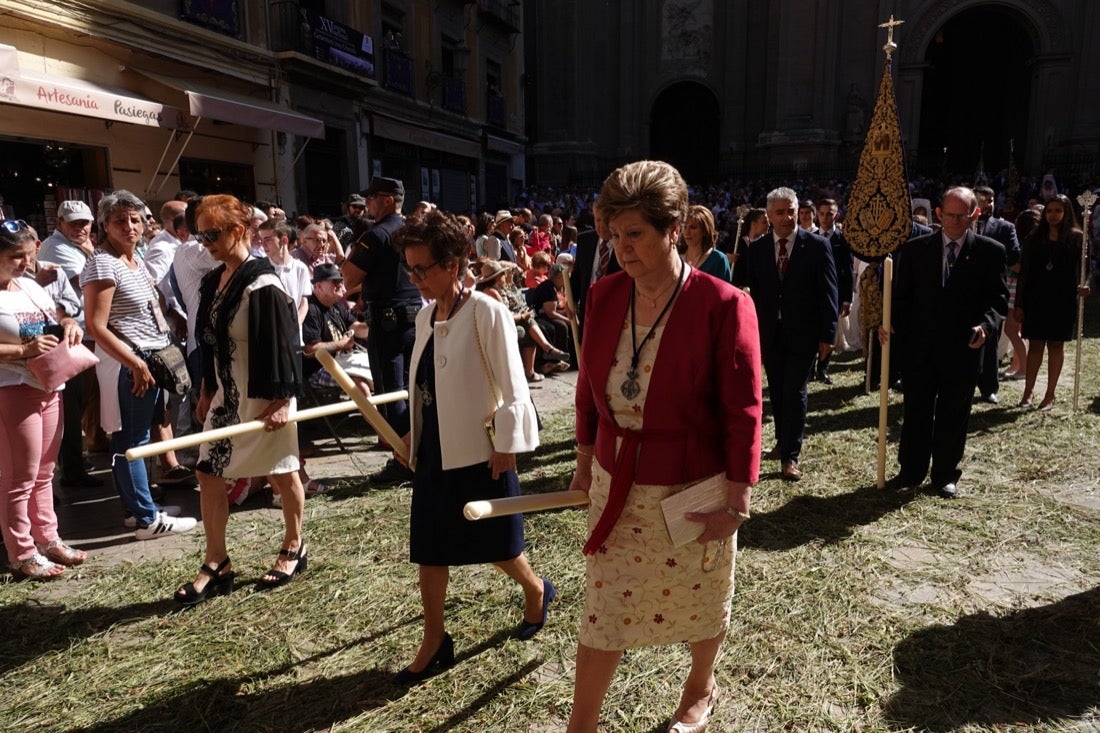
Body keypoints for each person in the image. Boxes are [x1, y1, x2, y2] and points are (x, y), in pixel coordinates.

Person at [567, 161, 762, 733]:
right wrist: (583, 465)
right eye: (613, 234)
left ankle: (701, 685)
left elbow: (743, 410)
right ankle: (582, 724)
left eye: (635, 235)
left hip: (690, 484)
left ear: (674, 228)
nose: (621, 248)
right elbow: (586, 387)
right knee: (603, 611)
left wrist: (738, 498)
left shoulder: (724, 305)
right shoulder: (603, 295)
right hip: (615, 482)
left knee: (700, 597)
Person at [391, 210, 552, 684]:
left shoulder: (488, 311)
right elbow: (424, 384)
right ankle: (435, 637)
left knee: (498, 546)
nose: (416, 279)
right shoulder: (425, 315)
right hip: (435, 452)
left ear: (456, 263)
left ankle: (537, 589)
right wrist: (412, 433)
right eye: (410, 269)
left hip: (483, 451)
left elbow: (513, 384)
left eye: (424, 269)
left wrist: (506, 444)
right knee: (429, 548)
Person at [174, 194, 306, 606]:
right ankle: (217, 562)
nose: (205, 243)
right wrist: (206, 388)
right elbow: (209, 339)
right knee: (208, 473)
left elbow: (287, 346)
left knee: (281, 473)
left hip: (266, 394)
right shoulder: (215, 279)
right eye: (200, 235)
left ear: (238, 230)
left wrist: (283, 399)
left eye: (212, 234)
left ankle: (295, 544)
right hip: (226, 394)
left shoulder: (264, 284)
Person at [80, 191, 199, 539]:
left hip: (148, 357)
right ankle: (148, 519)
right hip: (131, 362)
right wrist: (134, 363)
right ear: (104, 225)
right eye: (120, 220)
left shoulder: (134, 260)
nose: (130, 226)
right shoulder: (104, 263)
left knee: (138, 436)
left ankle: (139, 509)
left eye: (135, 219)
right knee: (130, 439)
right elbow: (96, 325)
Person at [885, 187, 1008, 498]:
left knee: (954, 413)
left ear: (974, 215)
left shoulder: (989, 251)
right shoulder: (915, 250)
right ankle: (911, 470)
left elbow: (998, 301)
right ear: (938, 214)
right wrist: (890, 327)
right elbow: (902, 299)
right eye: (949, 215)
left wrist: (986, 326)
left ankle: (944, 475)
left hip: (963, 349)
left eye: (961, 216)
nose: (954, 221)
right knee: (916, 411)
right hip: (920, 349)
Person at [0, 219, 88, 579]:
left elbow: (55, 317)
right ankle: (20, 552)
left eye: (27, 254)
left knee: (45, 472)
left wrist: (68, 325)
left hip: (48, 385)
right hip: (12, 389)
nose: (23, 262)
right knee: (19, 476)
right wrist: (23, 349)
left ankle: (48, 539)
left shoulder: (29, 285)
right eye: (13, 256)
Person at [745, 187, 838, 481]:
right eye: (780, 212)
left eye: (792, 211)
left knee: (795, 390)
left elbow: (829, 292)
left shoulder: (817, 245)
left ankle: (790, 456)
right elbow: (750, 292)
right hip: (770, 333)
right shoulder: (757, 249)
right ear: (769, 216)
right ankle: (782, 442)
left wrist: (828, 334)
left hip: (804, 332)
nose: (787, 217)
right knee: (778, 389)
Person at [342, 176, 418, 452]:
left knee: (390, 390)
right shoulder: (414, 229)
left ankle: (400, 451)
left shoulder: (376, 235)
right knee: (413, 387)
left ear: (387, 200)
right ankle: (416, 444)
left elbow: (347, 278)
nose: (367, 204)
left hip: (388, 323)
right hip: (414, 317)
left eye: (371, 198)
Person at [1014, 193, 1092, 410]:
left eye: (1058, 211)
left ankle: (1049, 394)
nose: (1053, 215)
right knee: (1036, 345)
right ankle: (1028, 392)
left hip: (1063, 299)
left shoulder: (1078, 238)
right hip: (1037, 298)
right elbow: (1025, 273)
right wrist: (1019, 304)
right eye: (1049, 211)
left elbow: (1086, 269)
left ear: (1066, 213)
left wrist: (1085, 285)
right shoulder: (1034, 238)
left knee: (1056, 345)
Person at [476, 259, 570, 380]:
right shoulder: (492, 292)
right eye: (503, 274)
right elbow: (504, 315)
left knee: (529, 324)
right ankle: (545, 352)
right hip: (498, 325)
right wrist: (521, 316)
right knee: (527, 324)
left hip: (506, 320)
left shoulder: (496, 289)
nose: (506, 276)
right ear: (497, 277)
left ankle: (542, 357)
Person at [973, 185, 1022, 404]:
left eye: (991, 200)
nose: (988, 204)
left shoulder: (1004, 228)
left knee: (990, 338)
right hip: (961, 290)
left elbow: (1013, 256)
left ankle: (988, 387)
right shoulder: (961, 222)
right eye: (983, 200)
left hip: (991, 289)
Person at [814, 198, 854, 383]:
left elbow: (847, 270)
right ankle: (808, 369)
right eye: (821, 213)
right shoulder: (810, 237)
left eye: (829, 214)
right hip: (813, 293)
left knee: (829, 331)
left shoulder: (842, 239)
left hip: (834, 294)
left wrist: (847, 299)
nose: (824, 217)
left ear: (836, 215)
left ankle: (822, 368)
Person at [570, 204, 620, 342]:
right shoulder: (585, 240)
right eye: (598, 220)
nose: (601, 225)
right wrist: (571, 302)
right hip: (587, 312)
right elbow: (577, 276)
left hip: (614, 315)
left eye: (606, 221)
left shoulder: (623, 243)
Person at [680, 204, 733, 282]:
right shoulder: (676, 256)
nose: (687, 232)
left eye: (693, 227)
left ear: (705, 230)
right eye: (684, 227)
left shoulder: (718, 259)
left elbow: (725, 292)